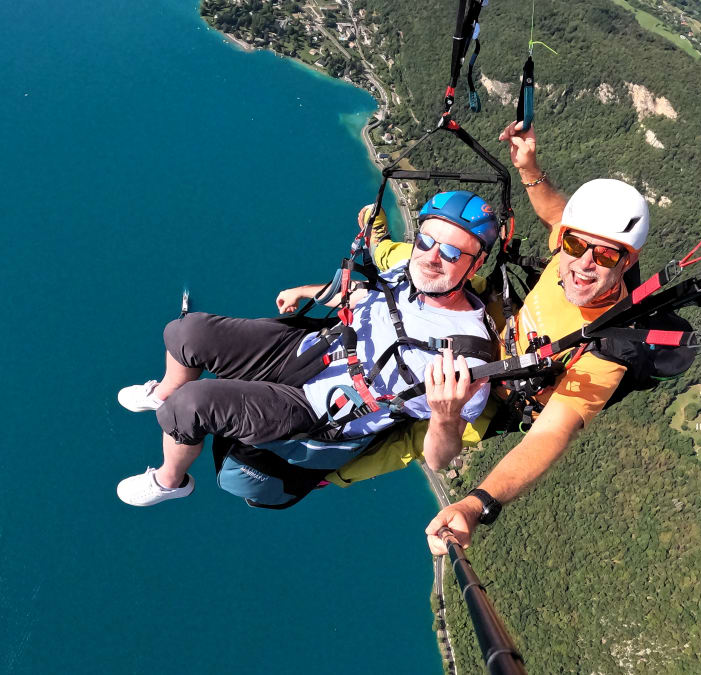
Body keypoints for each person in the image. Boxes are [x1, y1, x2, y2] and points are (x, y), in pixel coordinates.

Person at [114, 190, 498, 507]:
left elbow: (438, 457)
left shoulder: (467, 359)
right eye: (426, 241)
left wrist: (445, 416)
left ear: (476, 262)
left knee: (190, 408)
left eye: (450, 253)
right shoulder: (408, 273)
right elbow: (360, 297)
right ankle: (163, 391)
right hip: (307, 348)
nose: (431, 257)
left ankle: (170, 480)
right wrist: (305, 291)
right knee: (186, 333)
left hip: (320, 408)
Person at [423, 122, 651, 553]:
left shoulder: (609, 349)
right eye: (575, 245)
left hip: (501, 399)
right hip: (493, 335)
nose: (585, 263)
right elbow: (555, 211)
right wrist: (529, 167)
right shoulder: (571, 243)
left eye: (604, 255)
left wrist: (476, 503)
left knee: (406, 428)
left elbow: (551, 433)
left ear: (626, 262)